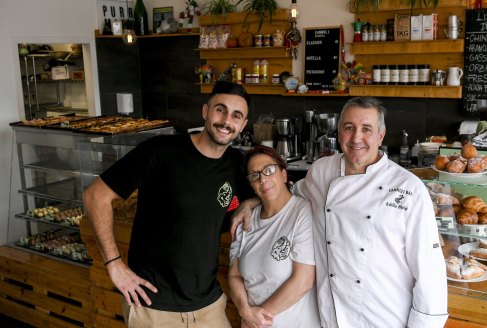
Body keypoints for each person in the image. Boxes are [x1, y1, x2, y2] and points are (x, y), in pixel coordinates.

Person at [233, 97, 448, 327]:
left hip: (384, 317)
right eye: (349, 128)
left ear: (381, 135)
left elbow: (430, 274)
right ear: (338, 132)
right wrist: (253, 201)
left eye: (367, 129)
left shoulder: (409, 188)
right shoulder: (322, 170)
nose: (356, 138)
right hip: (332, 316)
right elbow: (290, 193)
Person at [83, 80, 254, 327]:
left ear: (243, 125)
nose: (226, 120)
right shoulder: (160, 151)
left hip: (208, 304)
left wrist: (249, 201)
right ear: (205, 111)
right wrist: (114, 264)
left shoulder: (236, 164)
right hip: (153, 305)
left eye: (236, 115)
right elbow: (95, 195)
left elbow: (268, 186)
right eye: (220, 109)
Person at [228, 146, 320, 328]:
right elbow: (234, 275)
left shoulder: (303, 213)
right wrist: (244, 310)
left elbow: (303, 281)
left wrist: (255, 319)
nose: (263, 179)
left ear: (284, 175)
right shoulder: (245, 220)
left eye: (269, 170)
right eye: (254, 175)